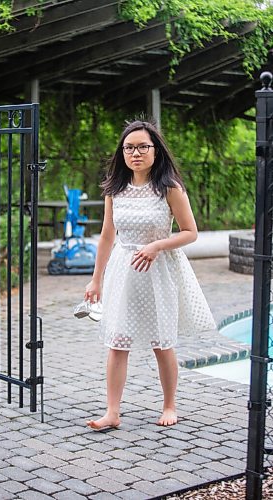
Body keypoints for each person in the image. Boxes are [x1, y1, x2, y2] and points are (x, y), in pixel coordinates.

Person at [84, 119, 216, 430]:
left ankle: (169, 404)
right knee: (117, 342)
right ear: (122, 153)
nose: (136, 153)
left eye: (143, 146)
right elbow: (106, 235)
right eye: (129, 148)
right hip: (123, 270)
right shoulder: (114, 189)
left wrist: (157, 245)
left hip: (160, 272)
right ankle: (112, 413)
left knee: (162, 342)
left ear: (155, 150)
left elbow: (190, 233)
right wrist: (96, 278)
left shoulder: (168, 187)